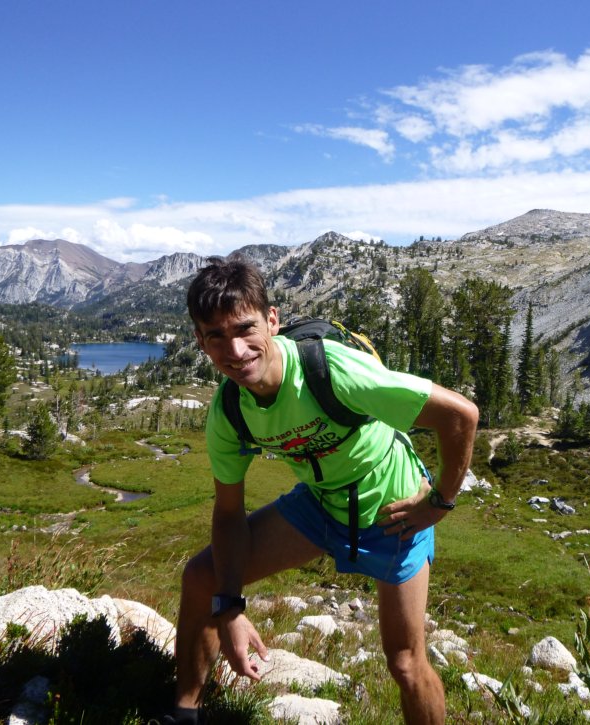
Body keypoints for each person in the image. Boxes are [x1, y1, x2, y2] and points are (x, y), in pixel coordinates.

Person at [164, 256, 478, 725]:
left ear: (272, 321)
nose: (236, 349)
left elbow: (460, 415)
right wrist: (230, 607)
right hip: (321, 502)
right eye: (216, 336)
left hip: (392, 510)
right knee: (203, 577)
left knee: (406, 661)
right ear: (200, 342)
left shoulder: (330, 370)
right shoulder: (229, 410)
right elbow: (228, 513)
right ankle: (182, 714)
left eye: (246, 328)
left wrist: (439, 502)